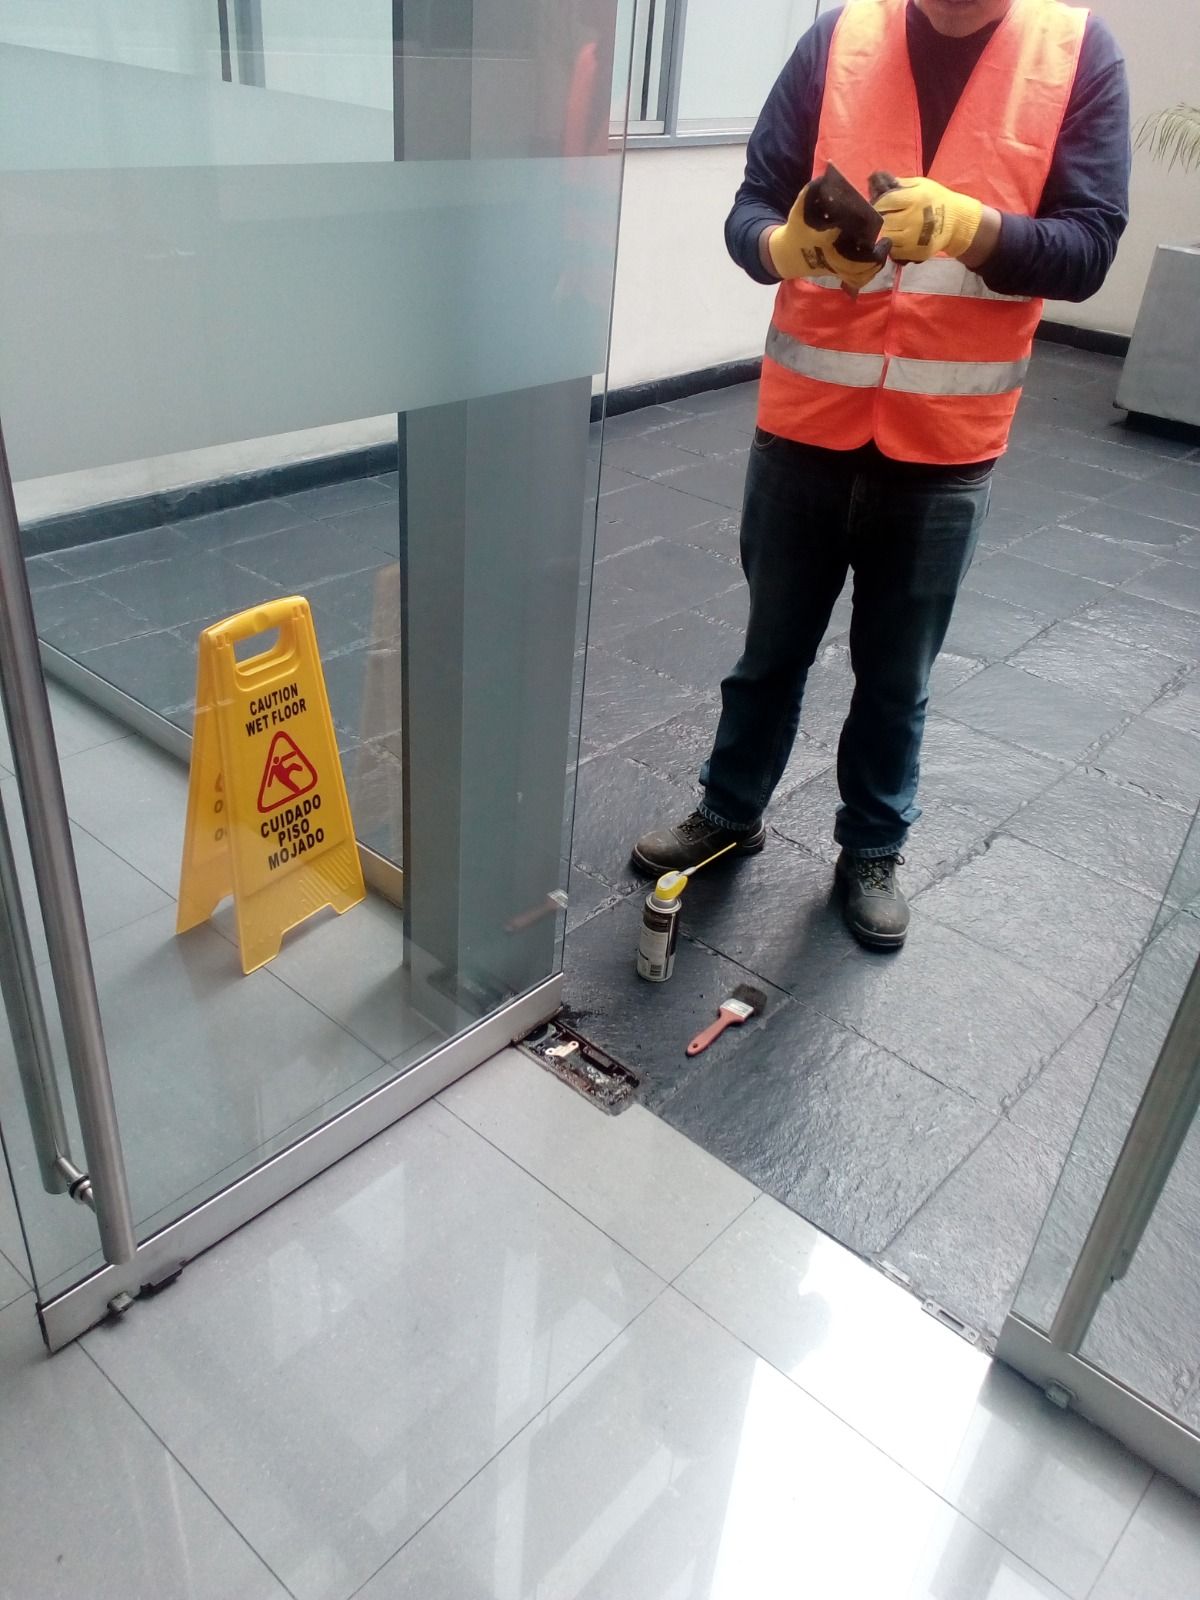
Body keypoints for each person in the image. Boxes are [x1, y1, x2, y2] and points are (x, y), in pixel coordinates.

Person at [630, 0, 1131, 949]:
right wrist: (779, 246)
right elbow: (751, 207)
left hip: (944, 444)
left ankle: (871, 849)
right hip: (805, 427)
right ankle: (729, 812)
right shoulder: (839, 38)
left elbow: (1091, 249)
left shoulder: (1075, 54)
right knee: (769, 651)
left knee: (896, 675)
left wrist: (975, 229)